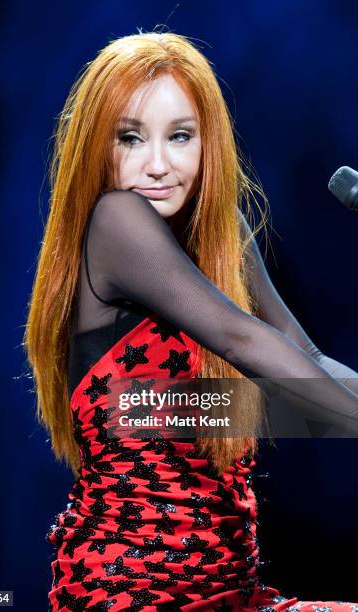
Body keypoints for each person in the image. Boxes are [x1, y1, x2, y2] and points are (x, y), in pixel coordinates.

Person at [24, 32, 358, 611]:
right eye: (130, 138)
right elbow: (240, 338)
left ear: (209, 144)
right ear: (97, 148)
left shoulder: (221, 232)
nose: (157, 165)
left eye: (180, 137)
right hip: (129, 595)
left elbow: (301, 360)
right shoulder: (116, 220)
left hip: (233, 594)